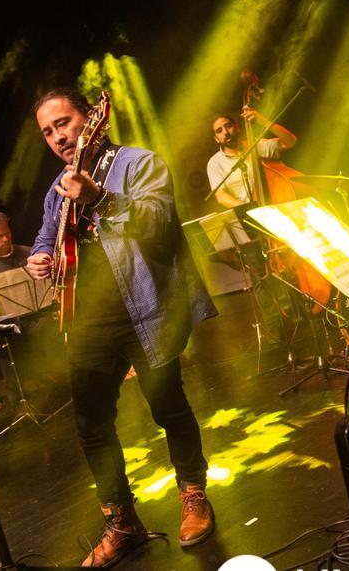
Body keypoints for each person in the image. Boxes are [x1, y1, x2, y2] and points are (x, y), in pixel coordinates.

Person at [25, 88, 218, 567]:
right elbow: (46, 234)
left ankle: (193, 494)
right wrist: (39, 255)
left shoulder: (137, 163)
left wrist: (99, 197)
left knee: (168, 407)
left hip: (146, 309)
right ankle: (121, 521)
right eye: (47, 132)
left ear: (91, 119)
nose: (57, 137)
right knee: (91, 424)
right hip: (87, 320)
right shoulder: (57, 187)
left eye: (63, 123)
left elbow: (157, 222)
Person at [207, 106, 297, 209]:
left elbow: (290, 141)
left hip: (276, 206)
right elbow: (221, 196)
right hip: (247, 214)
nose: (226, 132)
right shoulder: (215, 163)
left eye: (228, 126)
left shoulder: (256, 145)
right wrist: (249, 209)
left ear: (237, 128)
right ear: (216, 139)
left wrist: (262, 121)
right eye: (219, 131)